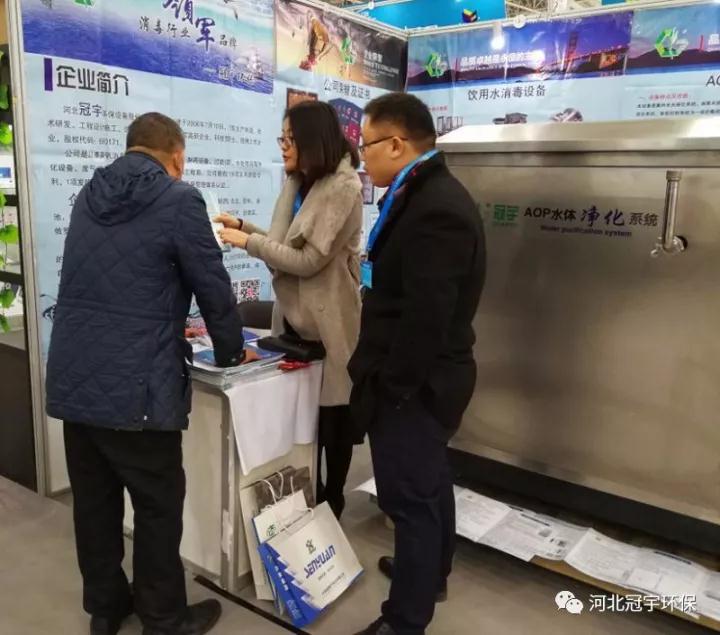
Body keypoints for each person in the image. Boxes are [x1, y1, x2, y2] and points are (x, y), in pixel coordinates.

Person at [45, 113, 251, 635]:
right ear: (177, 157)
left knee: (94, 506)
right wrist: (231, 352)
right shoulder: (180, 199)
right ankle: (163, 618)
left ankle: (107, 608)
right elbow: (213, 287)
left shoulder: (89, 194)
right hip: (138, 387)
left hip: (75, 380)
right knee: (158, 507)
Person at [348, 93, 486, 635]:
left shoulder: (437, 208)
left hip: (418, 384)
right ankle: (430, 574)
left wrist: (394, 388)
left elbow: (428, 316)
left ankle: (404, 621)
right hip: (422, 378)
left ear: (397, 144)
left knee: (410, 501)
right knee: (429, 484)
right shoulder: (417, 193)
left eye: (366, 145)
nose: (362, 157)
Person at [215, 101, 363, 520]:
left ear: (313, 140)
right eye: (281, 138)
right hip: (295, 316)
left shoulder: (343, 189)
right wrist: (245, 228)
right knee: (302, 414)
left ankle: (332, 501)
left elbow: (308, 260)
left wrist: (249, 243)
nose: (283, 146)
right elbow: (284, 244)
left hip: (329, 319)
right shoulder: (299, 182)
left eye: (290, 139)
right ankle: (305, 497)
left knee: (333, 419)